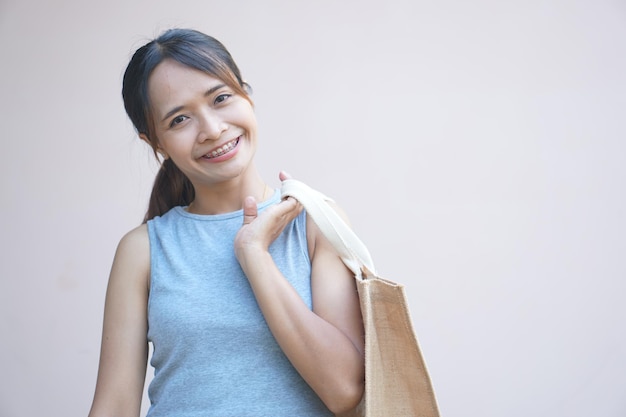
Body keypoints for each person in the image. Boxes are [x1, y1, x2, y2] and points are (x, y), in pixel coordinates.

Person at [88, 28, 365, 417]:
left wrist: (254, 254)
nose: (213, 129)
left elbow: (344, 389)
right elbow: (114, 405)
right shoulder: (143, 250)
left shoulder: (316, 223)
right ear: (155, 143)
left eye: (221, 98)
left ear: (246, 95)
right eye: (180, 119)